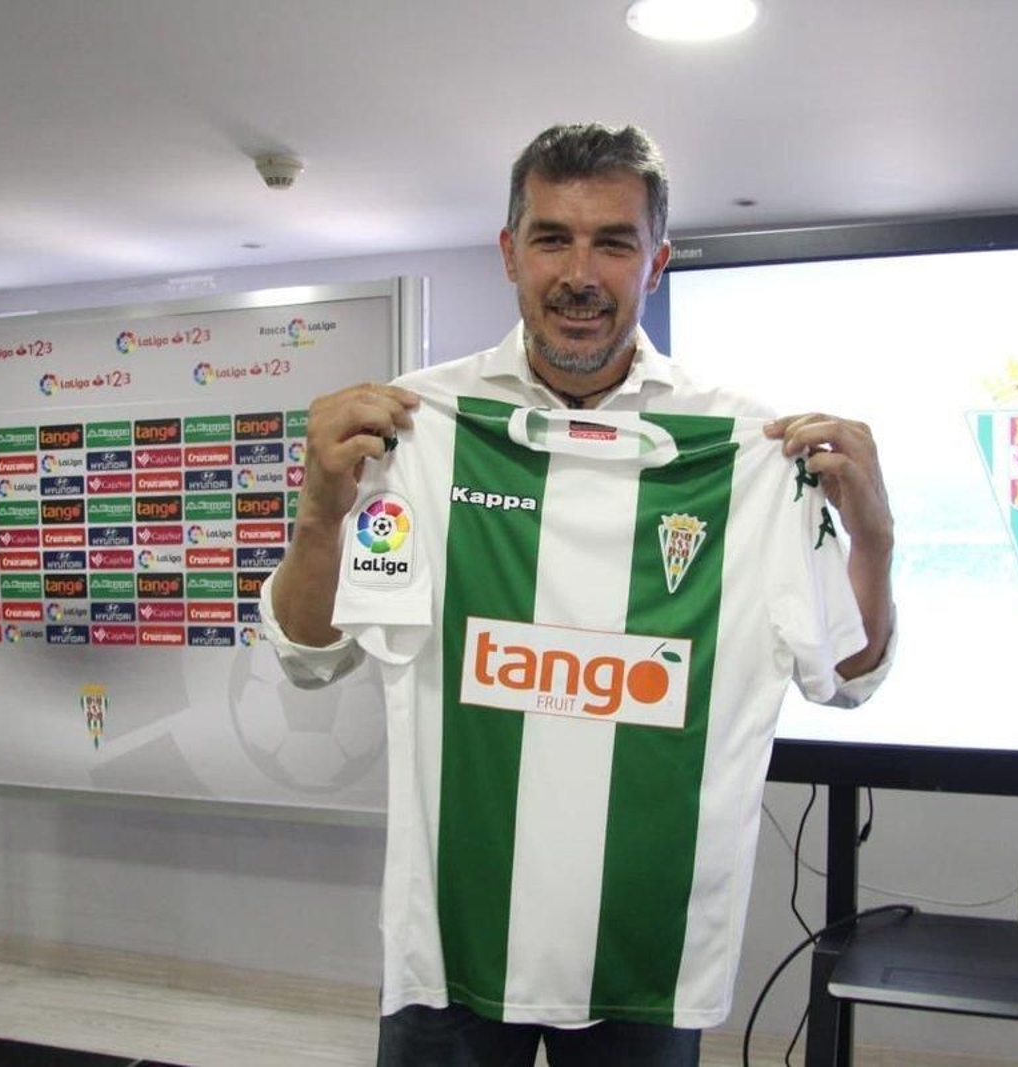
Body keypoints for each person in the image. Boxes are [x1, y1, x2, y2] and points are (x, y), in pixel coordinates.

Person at [261, 123, 895, 1066]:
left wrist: (875, 536)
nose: (580, 273)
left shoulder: (746, 449)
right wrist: (318, 512)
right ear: (510, 253)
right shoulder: (414, 426)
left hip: (644, 949)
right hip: (451, 946)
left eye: (614, 241)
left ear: (658, 262)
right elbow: (309, 655)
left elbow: (844, 675)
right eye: (553, 237)